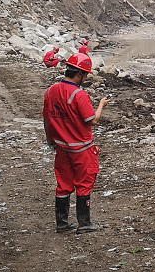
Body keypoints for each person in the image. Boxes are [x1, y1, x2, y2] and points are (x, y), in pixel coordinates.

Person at [43, 53, 108, 233]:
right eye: (85, 75)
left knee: (63, 185)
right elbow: (92, 120)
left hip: (62, 148)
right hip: (82, 149)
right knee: (84, 184)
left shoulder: (50, 91)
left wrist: (50, 141)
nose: (85, 79)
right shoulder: (79, 95)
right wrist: (101, 105)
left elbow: (47, 119)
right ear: (79, 74)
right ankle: (84, 223)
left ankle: (62, 224)